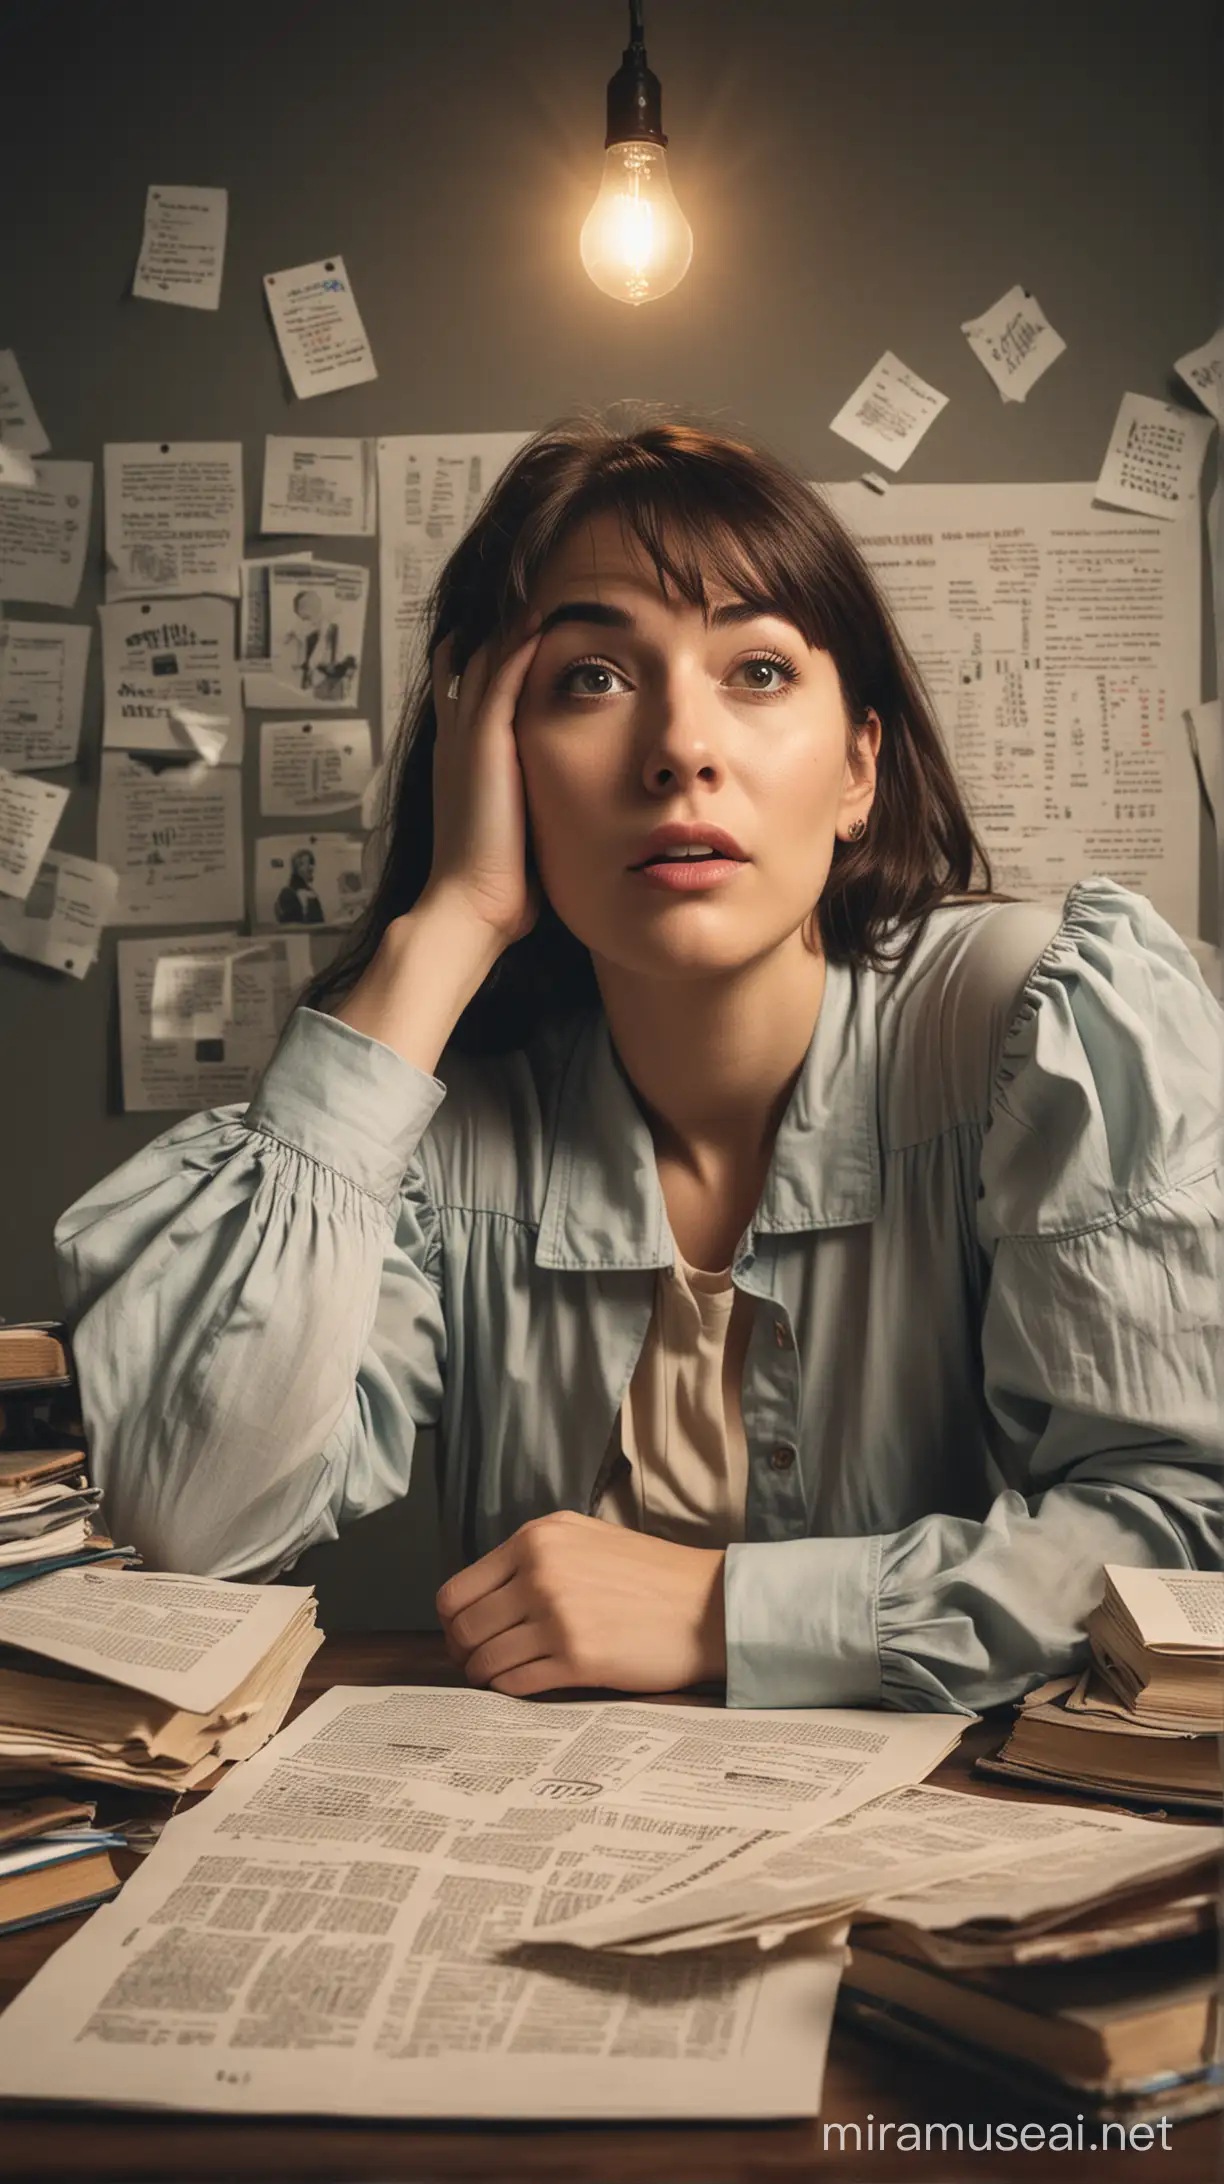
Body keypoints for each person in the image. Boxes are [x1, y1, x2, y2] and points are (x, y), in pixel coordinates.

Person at [55, 410, 1222, 1712]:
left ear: (857, 769)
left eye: (760, 672)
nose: (681, 746)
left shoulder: (1034, 1025)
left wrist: (729, 1615)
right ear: (493, 762)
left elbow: (1185, 1543)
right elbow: (189, 1522)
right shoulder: (441, 1133)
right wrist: (446, 927)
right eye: (592, 679)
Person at [273, 846, 325, 926]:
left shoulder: (309, 892)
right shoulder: (288, 893)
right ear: (297, 868)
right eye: (308, 864)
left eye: (312, 863)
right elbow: (290, 926)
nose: (311, 868)